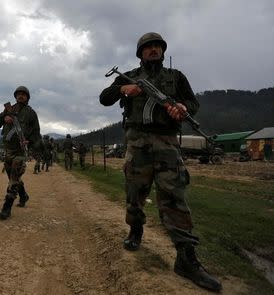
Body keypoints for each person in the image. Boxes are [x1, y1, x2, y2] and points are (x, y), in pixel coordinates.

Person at [99, 32, 222, 292]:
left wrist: (182, 108)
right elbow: (104, 97)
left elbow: (193, 102)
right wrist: (124, 88)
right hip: (137, 145)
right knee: (134, 194)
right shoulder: (129, 75)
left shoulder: (176, 77)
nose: (153, 50)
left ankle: (186, 257)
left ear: (163, 51)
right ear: (140, 52)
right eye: (148, 47)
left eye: (157, 47)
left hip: (167, 146)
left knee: (174, 198)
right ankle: (135, 231)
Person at [0, 86, 41, 220]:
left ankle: (6, 208)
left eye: (23, 94)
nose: (20, 96)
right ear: (15, 96)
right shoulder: (9, 109)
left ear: (27, 97)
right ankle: (24, 195)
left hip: (21, 150)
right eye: (18, 94)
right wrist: (4, 117)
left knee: (14, 178)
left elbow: (36, 133)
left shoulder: (31, 113)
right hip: (9, 149)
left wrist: (30, 143)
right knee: (12, 177)